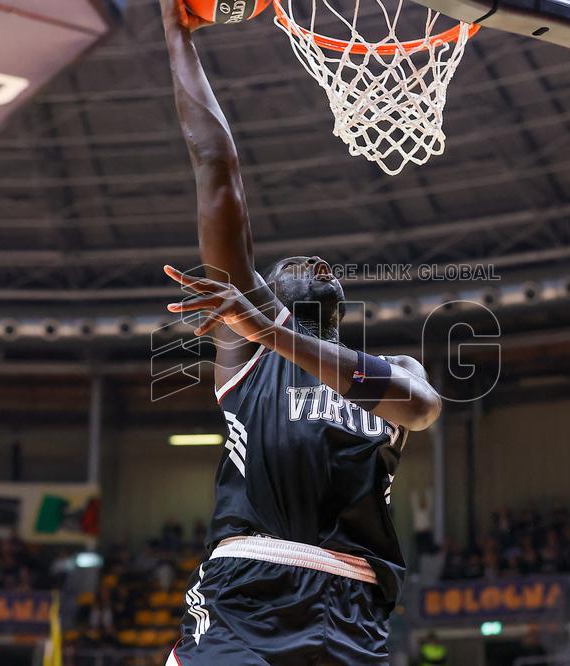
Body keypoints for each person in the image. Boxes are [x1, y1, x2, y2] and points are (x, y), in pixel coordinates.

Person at [157, 0, 443, 662]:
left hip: (349, 605)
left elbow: (423, 408)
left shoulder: (389, 368)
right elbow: (216, 168)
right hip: (246, 587)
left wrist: (274, 329)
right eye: (286, 269)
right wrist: (176, 33)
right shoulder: (246, 350)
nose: (308, 263)